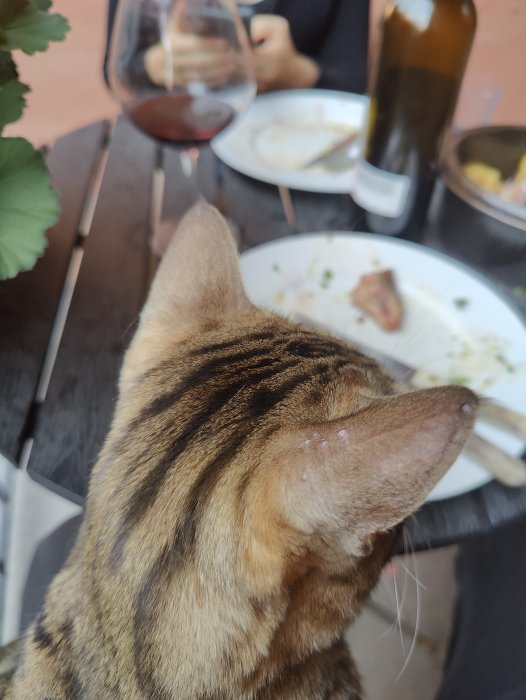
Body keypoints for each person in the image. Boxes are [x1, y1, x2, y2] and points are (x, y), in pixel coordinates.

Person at [104, 0, 371, 96]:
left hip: (292, 158)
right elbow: (117, 70)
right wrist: (154, 66)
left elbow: (352, 86)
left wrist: (297, 74)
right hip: (168, 148)